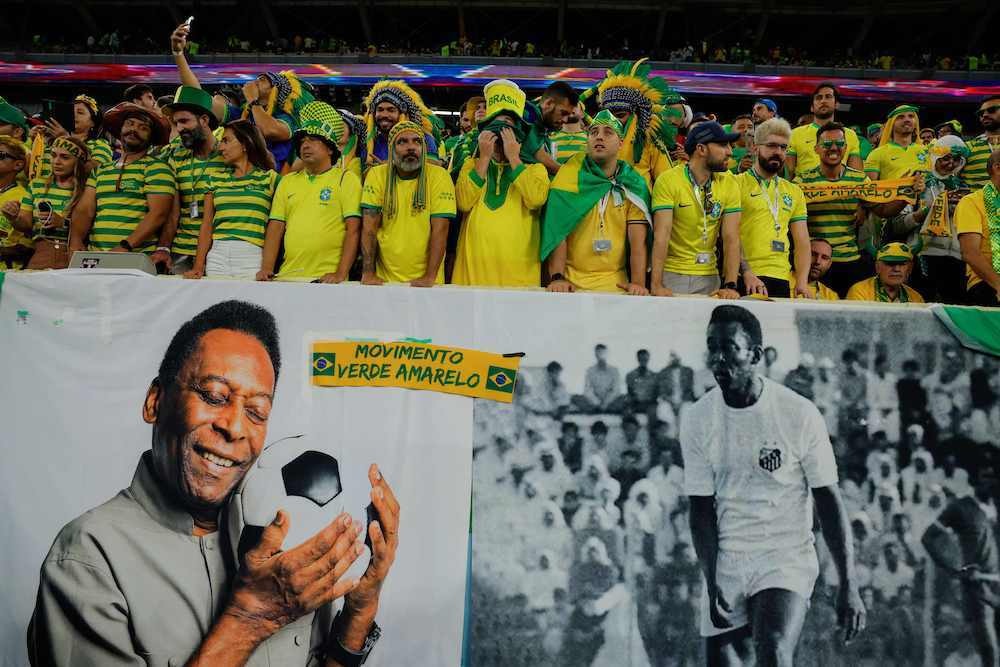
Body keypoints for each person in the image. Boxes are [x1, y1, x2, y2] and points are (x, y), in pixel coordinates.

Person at [27, 300, 399, 665]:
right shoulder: (88, 560)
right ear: (155, 401)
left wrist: (360, 610)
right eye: (213, 396)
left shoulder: (290, 538)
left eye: (256, 411)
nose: (234, 427)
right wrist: (250, 617)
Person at [682, 305, 864, 665]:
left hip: (784, 554)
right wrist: (711, 575)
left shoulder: (798, 414)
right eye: (711, 346)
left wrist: (849, 584)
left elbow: (828, 501)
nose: (718, 358)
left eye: (729, 347)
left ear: (755, 354)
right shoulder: (698, 418)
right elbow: (700, 510)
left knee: (774, 650)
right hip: (729, 558)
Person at [170, 23, 309, 173]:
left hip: (273, 186)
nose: (255, 82)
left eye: (262, 80)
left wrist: (253, 100)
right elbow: (198, 98)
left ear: (275, 90)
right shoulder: (242, 115)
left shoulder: (289, 119)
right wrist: (178, 54)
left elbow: (269, 130)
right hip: (242, 182)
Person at [452, 80, 549, 288]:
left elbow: (535, 199)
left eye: (508, 131)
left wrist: (514, 158)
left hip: (519, 272)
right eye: (495, 129)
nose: (500, 138)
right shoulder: (472, 164)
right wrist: (484, 158)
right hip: (473, 271)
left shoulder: (535, 169)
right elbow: (463, 202)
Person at [542, 110, 651, 294]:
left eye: (608, 132)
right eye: (593, 133)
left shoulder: (633, 184)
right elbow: (558, 233)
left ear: (621, 144)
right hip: (570, 286)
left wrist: (639, 284)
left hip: (617, 286)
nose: (599, 137)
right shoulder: (569, 176)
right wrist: (558, 278)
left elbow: (637, 242)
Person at [260, 102, 362, 283]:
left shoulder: (346, 179)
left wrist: (340, 273)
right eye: (302, 141)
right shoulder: (287, 182)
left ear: (330, 148)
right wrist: (267, 268)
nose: (305, 145)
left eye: (313, 139)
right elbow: (275, 228)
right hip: (288, 276)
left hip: (328, 279)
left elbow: (353, 229)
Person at [650, 121, 742, 298]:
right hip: (672, 275)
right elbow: (662, 235)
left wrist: (731, 285)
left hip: (711, 277)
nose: (730, 152)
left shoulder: (730, 182)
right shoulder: (668, 180)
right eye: (723, 145)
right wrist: (656, 284)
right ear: (701, 149)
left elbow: (732, 238)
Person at [69, 102, 174, 254]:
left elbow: (158, 215)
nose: (134, 130)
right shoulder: (101, 170)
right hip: (96, 255)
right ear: (120, 129)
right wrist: (76, 240)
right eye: (130, 124)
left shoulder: (158, 168)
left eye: (143, 128)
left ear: (151, 137)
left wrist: (125, 246)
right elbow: (84, 210)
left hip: (137, 257)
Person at [360, 120, 455, 287]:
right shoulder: (377, 175)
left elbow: (440, 229)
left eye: (417, 141)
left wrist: (429, 277)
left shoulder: (439, 176)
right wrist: (368, 273)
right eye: (402, 142)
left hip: (428, 281)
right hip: (384, 279)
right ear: (391, 149)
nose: (411, 147)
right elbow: (369, 228)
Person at [922, 465, 1000, 667]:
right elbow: (928, 538)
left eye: (993, 477)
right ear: (973, 481)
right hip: (978, 589)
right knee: (989, 650)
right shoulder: (960, 507)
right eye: (985, 476)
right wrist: (955, 570)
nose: (989, 481)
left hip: (997, 584)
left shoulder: (996, 507)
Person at [185, 121, 279, 279]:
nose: (220, 148)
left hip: (253, 257)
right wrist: (198, 266)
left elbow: (276, 225)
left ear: (245, 143)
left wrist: (267, 267)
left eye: (226, 141)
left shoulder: (270, 178)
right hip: (217, 257)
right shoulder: (214, 179)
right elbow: (207, 225)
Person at [884, 134, 971, 304]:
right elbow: (896, 225)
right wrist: (930, 210)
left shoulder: (963, 188)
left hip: (956, 260)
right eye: (945, 158)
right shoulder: (917, 181)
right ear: (935, 156)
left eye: (956, 160)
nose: (950, 164)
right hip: (922, 257)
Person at [795, 122, 875, 297]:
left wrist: (907, 192)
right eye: (827, 144)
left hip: (850, 262)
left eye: (839, 144)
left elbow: (883, 210)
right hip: (815, 263)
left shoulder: (860, 179)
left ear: (846, 148)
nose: (833, 148)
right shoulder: (801, 181)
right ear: (816, 149)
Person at [735, 118, 810, 298]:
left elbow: (802, 242)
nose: (778, 152)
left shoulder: (794, 191)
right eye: (772, 146)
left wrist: (801, 281)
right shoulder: (735, 184)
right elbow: (729, 235)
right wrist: (746, 272)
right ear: (755, 147)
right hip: (746, 276)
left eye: (783, 147)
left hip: (781, 277)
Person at [158, 85, 228, 274]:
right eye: (176, 123)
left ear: (204, 120)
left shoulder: (228, 154)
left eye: (184, 121)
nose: (179, 128)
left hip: (220, 254)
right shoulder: (172, 153)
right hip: (180, 254)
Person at [588, 58, 679, 186]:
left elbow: (668, 185)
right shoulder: (595, 141)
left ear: (637, 114)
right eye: (608, 115)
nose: (612, 121)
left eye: (620, 115)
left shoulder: (650, 142)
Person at [6, 136, 88, 270]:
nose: (56, 161)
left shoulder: (86, 190)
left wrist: (63, 223)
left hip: (74, 256)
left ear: (78, 162)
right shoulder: (36, 185)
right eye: (54, 155)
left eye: (65, 157)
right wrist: (13, 217)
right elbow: (25, 225)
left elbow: (92, 229)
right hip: (41, 253)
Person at [786, 83, 864, 179]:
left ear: (836, 104)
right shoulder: (795, 134)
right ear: (812, 107)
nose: (823, 101)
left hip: (840, 191)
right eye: (819, 98)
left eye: (828, 97)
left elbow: (857, 175)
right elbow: (788, 173)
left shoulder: (850, 135)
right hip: (804, 191)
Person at [955, 149, 1000, 307]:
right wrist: (998, 285)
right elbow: (970, 253)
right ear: (997, 168)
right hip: (988, 284)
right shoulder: (972, 202)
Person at [362, 80, 439, 168]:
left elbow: (435, 167)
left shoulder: (422, 139)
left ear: (402, 112)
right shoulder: (369, 144)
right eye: (380, 110)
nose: (384, 115)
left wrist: (391, 166)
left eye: (391, 110)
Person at [31, 94, 113, 177]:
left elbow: (94, 170)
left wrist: (67, 141)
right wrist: (33, 141)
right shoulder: (52, 141)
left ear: (93, 122)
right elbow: (31, 170)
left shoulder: (100, 144)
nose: (74, 115)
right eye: (71, 112)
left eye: (80, 112)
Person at [521, 81, 580, 176]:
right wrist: (577, 177)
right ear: (548, 103)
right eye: (563, 113)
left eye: (568, 115)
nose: (565, 120)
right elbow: (543, 160)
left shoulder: (542, 126)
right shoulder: (528, 115)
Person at [865, 105, 929, 182]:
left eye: (911, 116)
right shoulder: (877, 153)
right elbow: (869, 189)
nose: (907, 120)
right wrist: (902, 184)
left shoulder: (927, 152)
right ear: (891, 124)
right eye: (901, 117)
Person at [846, 242, 926, 303]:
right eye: (890, 264)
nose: (896, 269)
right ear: (877, 267)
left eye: (902, 264)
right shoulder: (860, 292)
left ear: (910, 268)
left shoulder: (916, 298)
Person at [0, 137, 30, 268]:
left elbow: (28, 246)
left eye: (0, 155)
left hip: (7, 276)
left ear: (18, 165)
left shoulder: (24, 197)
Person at [572, 344, 624, 414]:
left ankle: (600, 410)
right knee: (575, 397)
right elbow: (587, 390)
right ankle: (601, 410)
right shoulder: (590, 371)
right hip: (594, 403)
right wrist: (597, 403)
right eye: (598, 353)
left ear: (607, 354)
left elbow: (615, 390)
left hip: (611, 402)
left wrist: (605, 403)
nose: (600, 355)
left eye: (603, 353)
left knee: (624, 398)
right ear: (595, 355)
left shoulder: (614, 370)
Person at [962, 96, 1000, 189]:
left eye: (991, 110)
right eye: (981, 113)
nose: (985, 115)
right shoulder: (967, 148)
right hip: (978, 203)